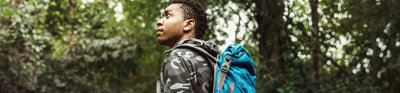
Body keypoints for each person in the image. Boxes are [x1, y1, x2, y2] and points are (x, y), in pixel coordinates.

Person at [156, 0, 219, 93]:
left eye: (167, 16)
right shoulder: (212, 59)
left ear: (188, 25)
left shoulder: (177, 56)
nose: (159, 22)